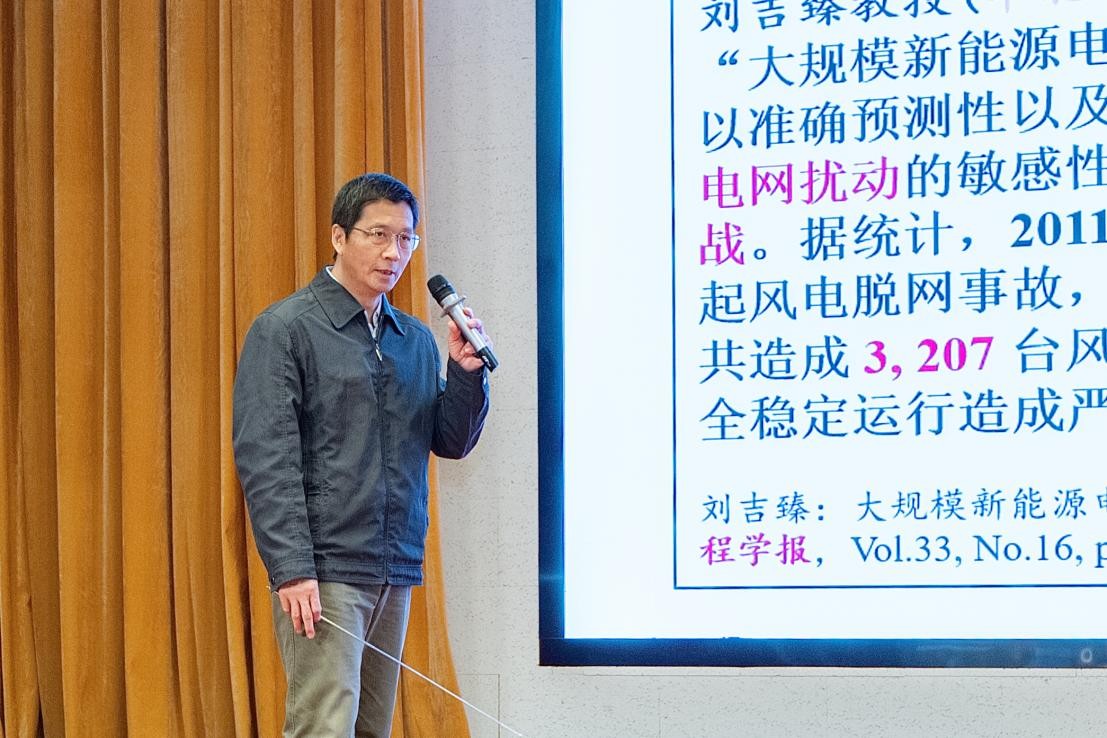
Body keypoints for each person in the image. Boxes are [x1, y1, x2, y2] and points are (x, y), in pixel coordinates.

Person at [232, 173, 490, 737]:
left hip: (393, 566)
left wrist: (466, 375)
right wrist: (292, 569)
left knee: (372, 728)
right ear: (339, 237)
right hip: (324, 570)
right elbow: (266, 458)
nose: (393, 252)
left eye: (405, 239)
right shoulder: (286, 329)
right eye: (378, 234)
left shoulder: (413, 339)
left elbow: (450, 440)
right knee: (324, 727)